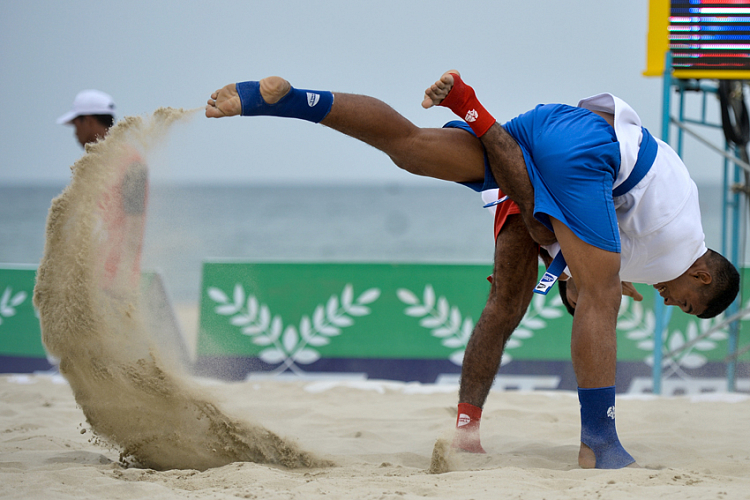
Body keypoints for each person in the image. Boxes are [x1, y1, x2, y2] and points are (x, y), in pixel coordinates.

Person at [204, 72, 740, 469]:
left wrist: (584, 279)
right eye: (685, 302)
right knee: (585, 278)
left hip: (547, 128)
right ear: (702, 277)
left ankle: (292, 100)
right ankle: (599, 443)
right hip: (585, 154)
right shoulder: (677, 250)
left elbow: (580, 269)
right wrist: (597, 284)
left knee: (413, 151)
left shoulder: (675, 215)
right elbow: (588, 289)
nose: (671, 302)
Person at [57, 90, 148, 290]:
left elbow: (134, 223)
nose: (75, 134)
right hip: (89, 279)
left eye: (75, 125)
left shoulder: (131, 163)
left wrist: (122, 277)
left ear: (88, 121)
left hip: (113, 283)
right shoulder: (92, 163)